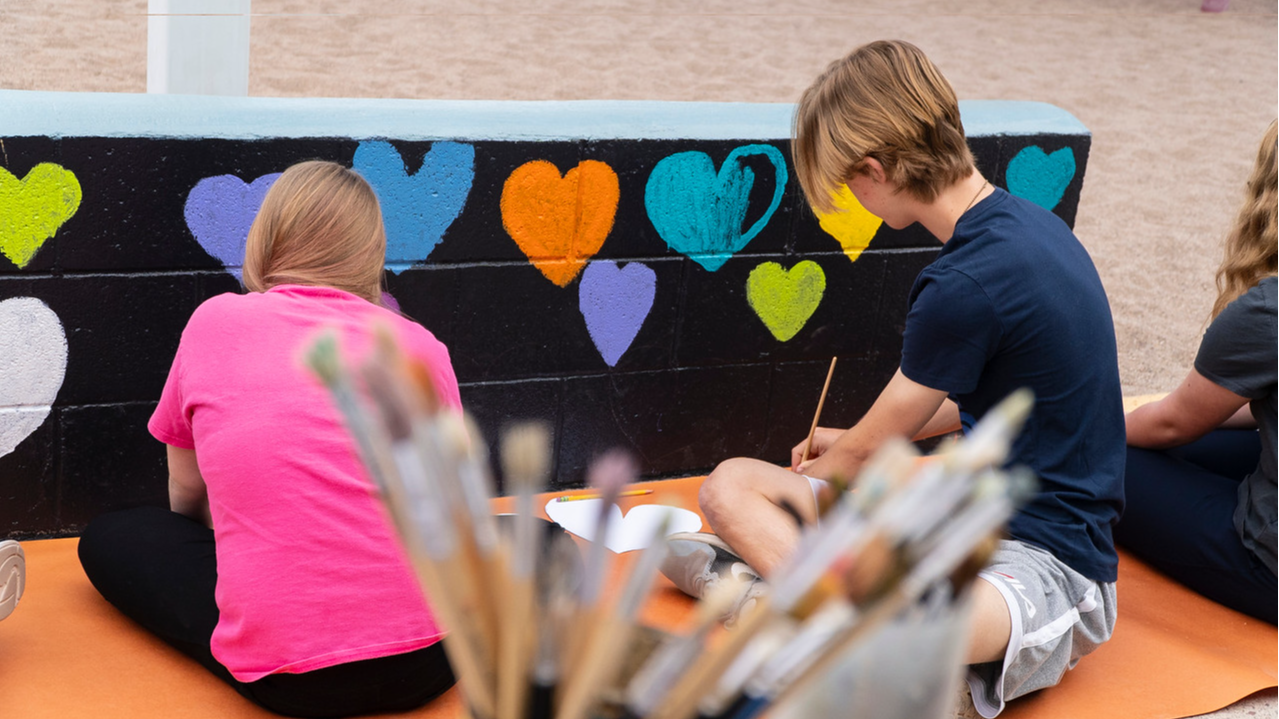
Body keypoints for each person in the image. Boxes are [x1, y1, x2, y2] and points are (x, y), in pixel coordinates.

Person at [659, 41, 1124, 718]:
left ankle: (807, 621)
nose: (853, 199)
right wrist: (848, 442)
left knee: (735, 498)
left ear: (873, 169)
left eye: (848, 184)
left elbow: (863, 456)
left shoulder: (961, 282)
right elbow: (986, 403)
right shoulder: (1030, 227)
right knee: (734, 487)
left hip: (1048, 567)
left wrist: (843, 452)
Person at [77, 161, 460, 718]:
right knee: (531, 537)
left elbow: (186, 491)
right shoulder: (422, 345)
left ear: (268, 239)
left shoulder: (215, 322)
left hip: (291, 681)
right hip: (434, 661)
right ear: (369, 254)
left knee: (112, 536)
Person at [1116, 120, 1277, 625]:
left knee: (1105, 459)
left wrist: (1097, 429)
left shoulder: (1266, 311)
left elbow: (1170, 424)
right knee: (1188, 442)